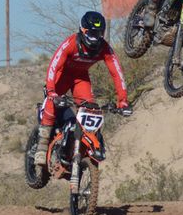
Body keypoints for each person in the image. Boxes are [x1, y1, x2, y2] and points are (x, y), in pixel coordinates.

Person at [34, 11, 131, 170]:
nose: (94, 37)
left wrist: (123, 101)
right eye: (91, 33)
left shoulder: (104, 48)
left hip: (80, 79)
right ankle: (42, 145)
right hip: (62, 76)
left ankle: (83, 147)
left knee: (91, 109)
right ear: (83, 30)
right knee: (53, 102)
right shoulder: (71, 43)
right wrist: (51, 91)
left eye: (98, 33)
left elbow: (117, 73)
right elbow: (53, 66)